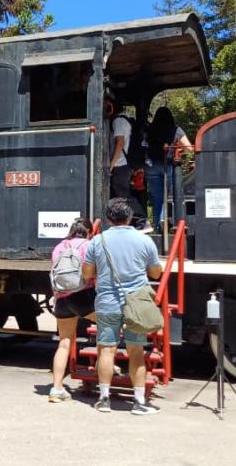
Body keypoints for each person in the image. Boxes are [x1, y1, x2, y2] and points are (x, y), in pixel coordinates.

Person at [82, 198, 163, 415]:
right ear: (129, 217)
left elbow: (87, 274)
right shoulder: (144, 241)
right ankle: (138, 403)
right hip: (135, 303)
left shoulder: (97, 241)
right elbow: (156, 273)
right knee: (136, 351)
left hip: (107, 302)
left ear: (108, 219)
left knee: (107, 350)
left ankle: (104, 399)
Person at [48, 218, 96, 403]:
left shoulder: (59, 246)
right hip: (83, 297)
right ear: (89, 232)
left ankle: (56, 388)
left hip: (61, 299)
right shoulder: (89, 245)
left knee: (64, 343)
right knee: (110, 326)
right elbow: (91, 273)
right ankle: (102, 369)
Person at [145, 106, 192, 231]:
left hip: (151, 166)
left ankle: (157, 226)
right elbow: (189, 148)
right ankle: (164, 220)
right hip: (169, 166)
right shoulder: (176, 130)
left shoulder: (149, 129)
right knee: (170, 196)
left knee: (157, 198)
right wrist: (179, 150)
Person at [107, 100, 150, 232]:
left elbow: (120, 143)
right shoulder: (126, 120)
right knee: (122, 195)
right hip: (126, 163)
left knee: (124, 195)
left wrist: (111, 164)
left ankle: (142, 221)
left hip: (121, 163)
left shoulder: (119, 121)